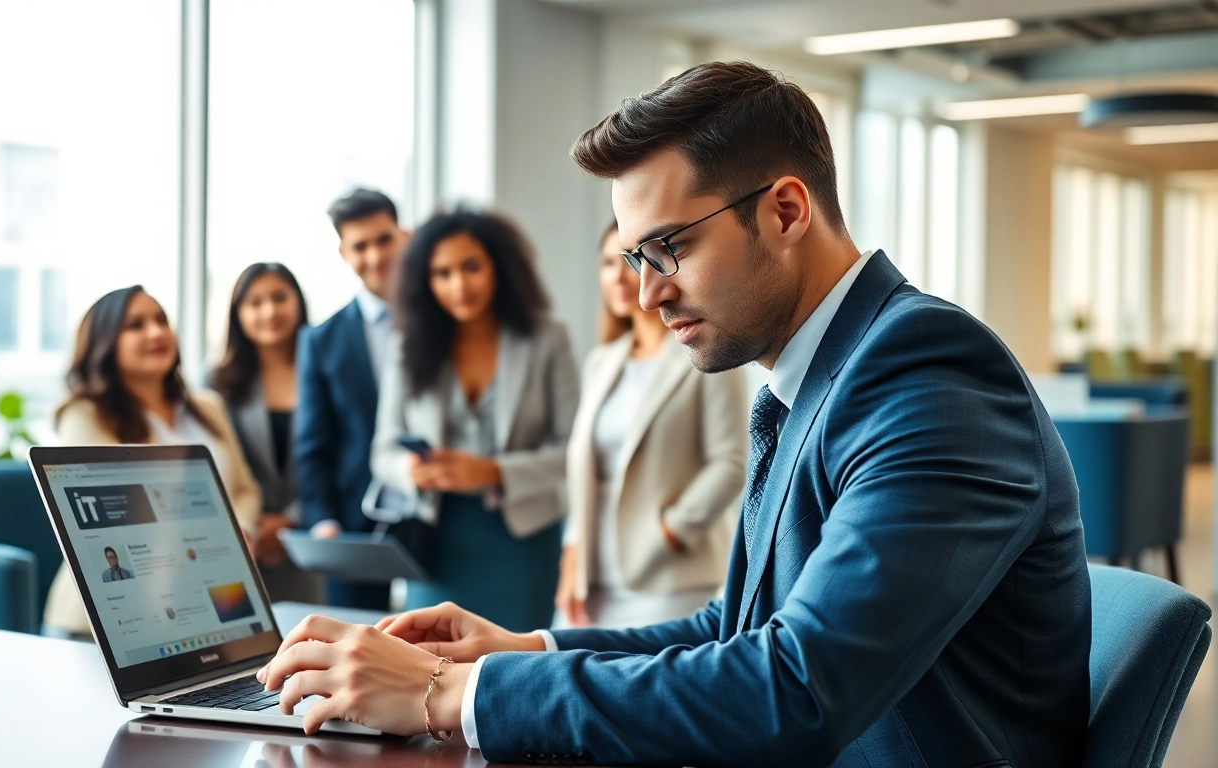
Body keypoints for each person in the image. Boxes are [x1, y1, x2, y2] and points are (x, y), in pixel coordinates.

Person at [253, 61, 1091, 767]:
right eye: (635, 257)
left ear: (787, 211)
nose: (648, 292)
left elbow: (798, 691)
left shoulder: (926, 373)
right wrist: (521, 652)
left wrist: (447, 693)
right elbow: (736, 629)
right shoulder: (820, 376)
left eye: (672, 248)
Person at [369, 208, 579, 633]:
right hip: (436, 544)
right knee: (430, 664)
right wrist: (412, 471)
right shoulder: (407, 345)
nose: (458, 285)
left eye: (471, 267)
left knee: (518, 671)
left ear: (498, 266)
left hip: (523, 543)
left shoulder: (546, 338)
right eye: (442, 273)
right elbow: (382, 452)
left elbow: (574, 450)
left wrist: (493, 472)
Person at [556, 221, 748, 630]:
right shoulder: (601, 362)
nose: (619, 275)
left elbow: (731, 462)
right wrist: (571, 558)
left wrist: (671, 533)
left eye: (632, 260)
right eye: (609, 263)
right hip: (593, 582)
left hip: (670, 577)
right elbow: (585, 473)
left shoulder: (705, 355)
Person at [43, 285, 262, 637]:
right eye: (136, 325)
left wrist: (240, 532)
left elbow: (244, 489)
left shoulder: (208, 407)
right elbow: (107, 515)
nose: (156, 332)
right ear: (104, 340)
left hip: (206, 599)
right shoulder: (84, 414)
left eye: (161, 320)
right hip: (112, 617)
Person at [295, 188, 408, 611]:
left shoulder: (440, 321)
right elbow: (312, 443)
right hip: (355, 529)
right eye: (360, 246)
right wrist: (324, 522)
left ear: (403, 236)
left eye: (384, 239)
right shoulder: (321, 341)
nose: (375, 256)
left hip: (437, 520)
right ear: (344, 253)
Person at [210, 262, 322, 604]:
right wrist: (252, 524)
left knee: (308, 643)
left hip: (308, 542)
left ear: (298, 302)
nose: (269, 310)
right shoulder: (216, 381)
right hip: (239, 542)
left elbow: (339, 457)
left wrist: (292, 521)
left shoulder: (325, 371)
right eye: (255, 302)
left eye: (279, 297)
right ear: (238, 313)